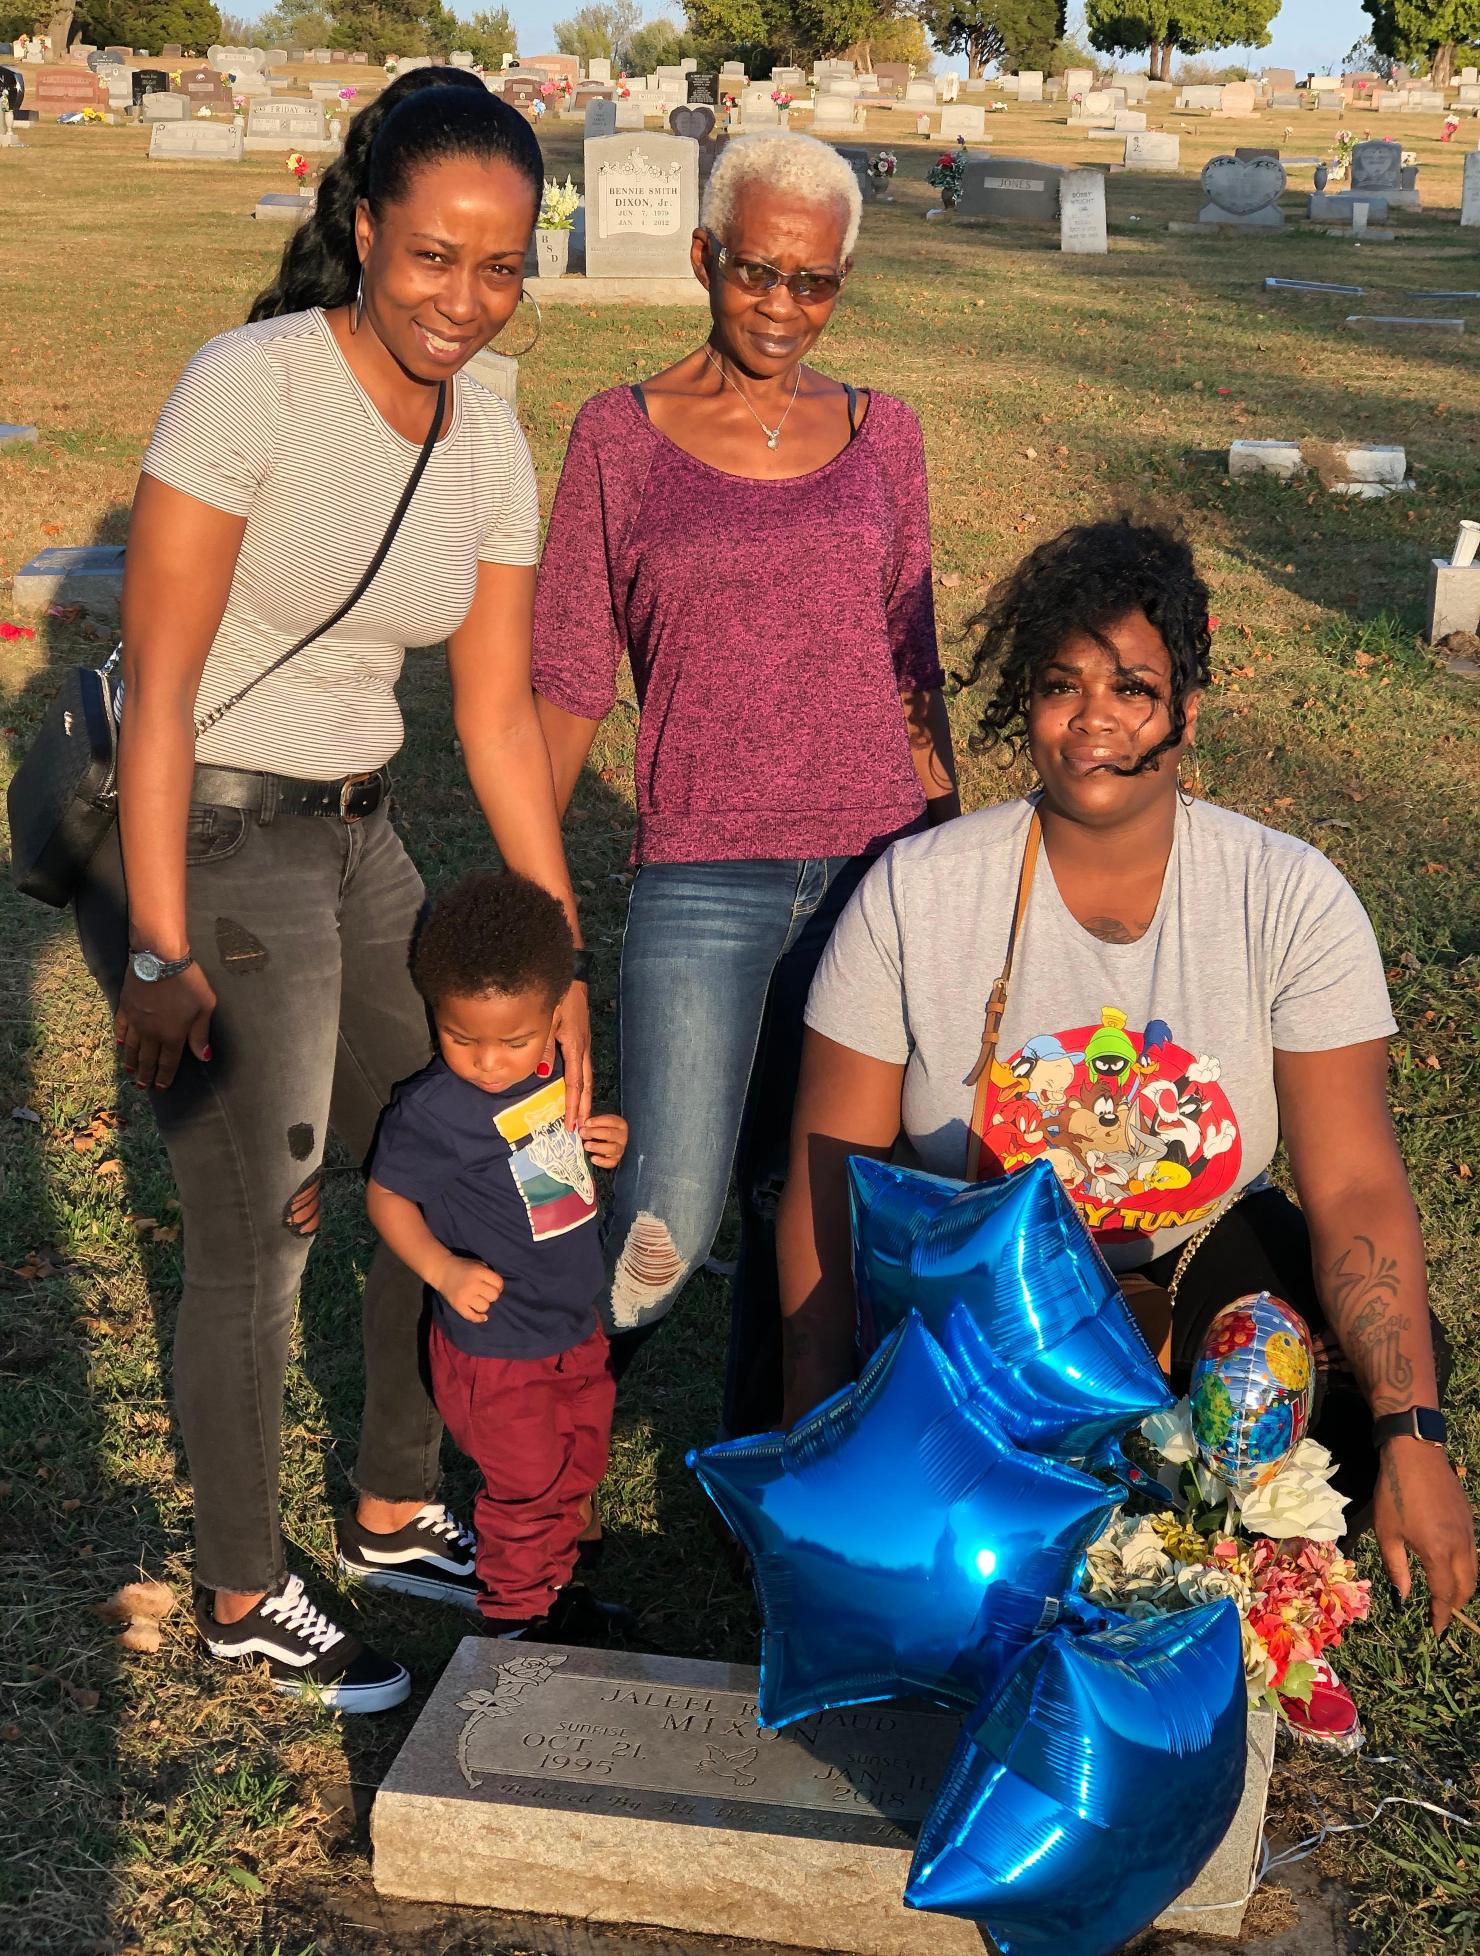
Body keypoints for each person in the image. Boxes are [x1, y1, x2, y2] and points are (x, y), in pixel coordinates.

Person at [73, 74, 592, 1711]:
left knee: (465, 1143)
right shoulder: (255, 385)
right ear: (364, 229)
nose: (466, 299)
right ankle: (240, 1589)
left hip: (362, 838)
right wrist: (157, 945)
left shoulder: (490, 428)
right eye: (435, 256)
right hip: (217, 834)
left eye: (500, 266)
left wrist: (557, 954)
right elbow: (161, 691)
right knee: (268, 1221)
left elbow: (494, 715)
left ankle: (389, 1498)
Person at [779, 517, 1477, 1681]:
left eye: (1132, 689)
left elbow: (1354, 1181)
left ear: (1186, 710)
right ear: (1025, 703)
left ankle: (1199, 1577)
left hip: (1195, 1254)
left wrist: (1415, 1435)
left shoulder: (1286, 897)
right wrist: (822, 1429)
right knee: (882, 1519)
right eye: (1061, 685)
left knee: (1347, 1374)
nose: (1093, 720)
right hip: (985, 1290)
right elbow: (826, 1177)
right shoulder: (917, 894)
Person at [532, 133, 959, 1446]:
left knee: (813, 1207)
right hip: (702, 880)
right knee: (660, 1228)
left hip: (874, 879)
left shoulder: (885, 435)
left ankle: (771, 1478)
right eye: (756, 272)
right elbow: (568, 681)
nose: (781, 305)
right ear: (705, 257)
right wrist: (532, 915)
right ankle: (519, 1452)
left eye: (812, 281)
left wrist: (953, 865)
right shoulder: (618, 435)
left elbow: (914, 667)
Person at [367, 872, 632, 1640]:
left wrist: (605, 1140)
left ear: (556, 1018)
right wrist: (442, 1270)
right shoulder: (435, 1111)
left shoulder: (555, 1069)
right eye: (462, 1039)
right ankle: (518, 1627)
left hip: (571, 1323)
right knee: (525, 1492)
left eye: (513, 1041)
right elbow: (387, 1197)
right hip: (498, 1351)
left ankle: (556, 1585)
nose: (488, 1062)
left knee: (578, 1465)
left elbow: (549, 1162)